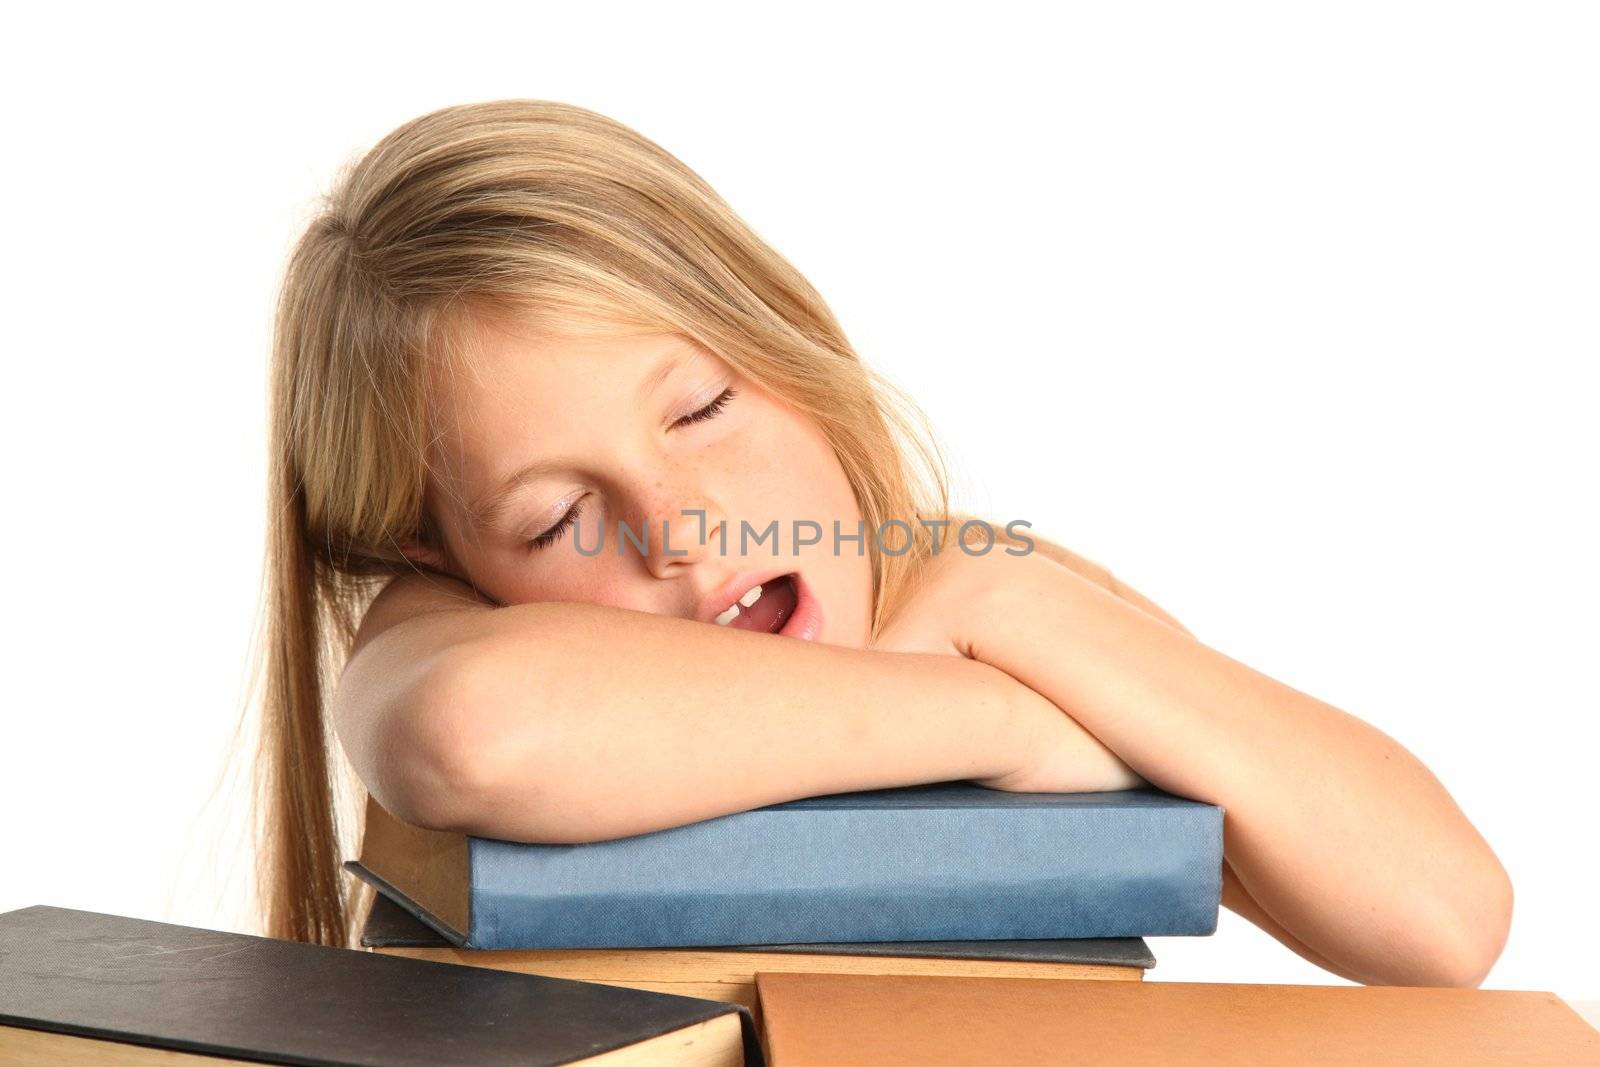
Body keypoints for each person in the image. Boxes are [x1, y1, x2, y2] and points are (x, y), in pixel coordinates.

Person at [250, 99, 1512, 988]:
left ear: (799, 352)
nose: (679, 530)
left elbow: (1440, 920)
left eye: (701, 409)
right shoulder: (448, 631)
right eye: (556, 516)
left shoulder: (977, 590)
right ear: (432, 555)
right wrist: (1003, 716)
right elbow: (478, 730)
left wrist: (1022, 603)